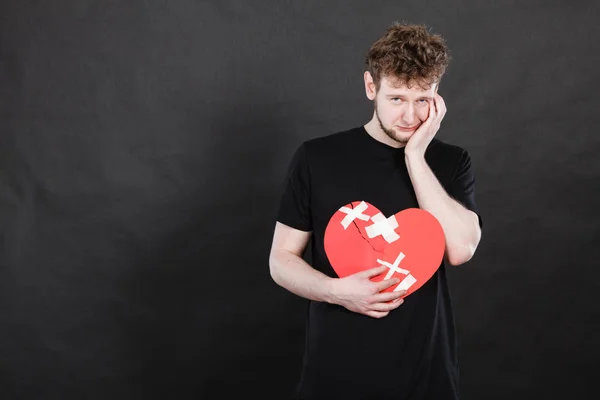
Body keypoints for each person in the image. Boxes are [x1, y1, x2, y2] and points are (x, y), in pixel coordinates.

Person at [269, 22, 483, 400]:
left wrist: (415, 155)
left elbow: (461, 250)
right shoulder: (317, 158)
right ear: (371, 87)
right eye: (397, 99)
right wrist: (336, 291)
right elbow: (281, 259)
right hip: (336, 374)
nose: (411, 116)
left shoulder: (451, 162)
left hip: (426, 375)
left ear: (437, 95)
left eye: (422, 100)